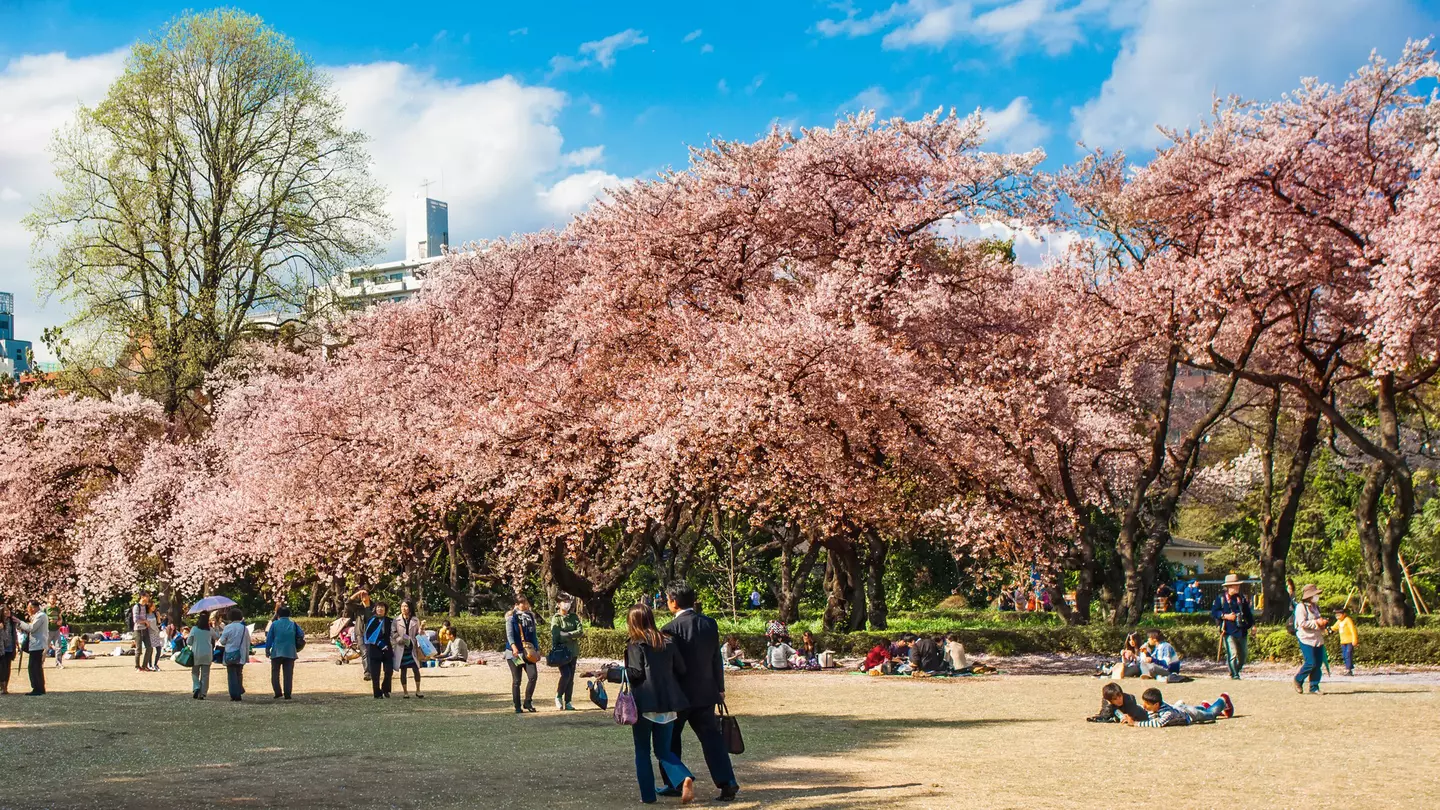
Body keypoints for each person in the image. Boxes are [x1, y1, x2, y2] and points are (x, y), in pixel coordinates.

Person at [608, 603, 696, 804]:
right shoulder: (668, 641)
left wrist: (610, 673)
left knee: (642, 751)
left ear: (633, 621)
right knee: (664, 750)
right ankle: (684, 776)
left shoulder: (635, 643)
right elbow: (681, 669)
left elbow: (635, 673)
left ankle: (648, 796)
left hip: (645, 703)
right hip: (670, 703)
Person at [660, 582, 739, 802]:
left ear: (674, 601)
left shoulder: (669, 629)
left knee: (670, 740)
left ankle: (675, 782)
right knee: (712, 739)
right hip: (705, 692)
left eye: (668, 599)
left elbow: (668, 665)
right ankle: (728, 782)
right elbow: (716, 658)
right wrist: (720, 687)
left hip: (678, 695)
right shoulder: (709, 624)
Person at [1210, 574, 1255, 679]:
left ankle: (1235, 670)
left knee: (1243, 656)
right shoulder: (1221, 598)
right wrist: (1225, 616)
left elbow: (1248, 613)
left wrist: (1253, 625)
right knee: (1232, 654)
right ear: (1229, 586)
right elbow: (1214, 612)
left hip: (1242, 629)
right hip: (1228, 631)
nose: (1237, 587)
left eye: (1238, 585)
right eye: (1235, 585)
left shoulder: (1241, 598)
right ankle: (1235, 675)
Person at [1121, 686, 1234, 727]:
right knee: (1204, 710)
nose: (1144, 706)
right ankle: (1204, 706)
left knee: (1211, 715)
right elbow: (1141, 709)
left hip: (1190, 714)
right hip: (1181, 709)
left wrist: (1135, 724)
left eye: (1147, 704)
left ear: (1156, 705)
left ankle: (1223, 699)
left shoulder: (1167, 713)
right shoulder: (1156, 706)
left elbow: (1158, 723)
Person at [505, 595, 540, 713]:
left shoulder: (530, 616)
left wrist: (537, 649)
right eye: (522, 603)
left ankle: (528, 701)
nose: (525, 605)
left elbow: (534, 635)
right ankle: (517, 706)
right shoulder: (511, 617)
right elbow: (509, 635)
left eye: (525, 602)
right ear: (516, 605)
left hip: (528, 652)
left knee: (533, 676)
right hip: (515, 654)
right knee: (517, 680)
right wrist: (514, 648)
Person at [1293, 583, 1328, 694]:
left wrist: (1323, 624)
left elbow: (1318, 619)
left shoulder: (1315, 607)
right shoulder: (1301, 607)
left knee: (1318, 663)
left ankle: (1314, 687)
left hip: (1317, 638)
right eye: (1315, 594)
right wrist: (1316, 622)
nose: (1316, 596)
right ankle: (1298, 679)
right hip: (1306, 638)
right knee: (1310, 662)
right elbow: (1301, 623)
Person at [551, 595, 584, 711]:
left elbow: (580, 631)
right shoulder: (556, 618)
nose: (567, 604)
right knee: (566, 675)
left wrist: (568, 634)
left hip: (573, 651)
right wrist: (569, 635)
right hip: (562, 652)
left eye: (568, 601)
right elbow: (557, 634)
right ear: (558, 604)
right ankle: (559, 696)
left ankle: (568, 701)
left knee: (571, 678)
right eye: (564, 602)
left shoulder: (574, 617)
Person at [266, 606, 303, 700]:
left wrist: (267, 650)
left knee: (275, 673)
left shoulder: (274, 624)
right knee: (288, 674)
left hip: (276, 652)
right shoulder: (293, 624)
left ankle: (277, 692)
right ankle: (287, 694)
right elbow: (301, 634)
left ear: (278, 614)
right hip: (290, 652)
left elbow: (269, 638)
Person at [363, 601, 396, 698]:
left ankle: (386, 689)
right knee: (375, 673)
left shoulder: (390, 620)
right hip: (374, 648)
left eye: (382, 607)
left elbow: (393, 633)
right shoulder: (372, 620)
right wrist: (380, 644)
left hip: (387, 648)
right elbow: (368, 635)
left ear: (385, 610)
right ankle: (377, 693)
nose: (380, 609)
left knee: (389, 671)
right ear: (375, 609)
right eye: (378, 607)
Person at [218, 607, 250, 701]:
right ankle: (239, 690)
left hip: (230, 653)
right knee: (239, 673)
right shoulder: (244, 628)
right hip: (241, 654)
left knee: (231, 674)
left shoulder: (228, 627)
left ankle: (234, 694)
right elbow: (247, 642)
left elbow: (222, 641)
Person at [394, 601, 423, 699]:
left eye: (406, 606)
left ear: (410, 607)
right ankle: (405, 692)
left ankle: (418, 690)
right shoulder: (396, 620)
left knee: (416, 669)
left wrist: (422, 629)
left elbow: (419, 634)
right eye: (402, 606)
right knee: (403, 670)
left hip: (412, 647)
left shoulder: (415, 620)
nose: (404, 608)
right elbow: (393, 633)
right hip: (402, 648)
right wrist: (399, 639)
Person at [18, 600, 48, 695]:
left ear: (34, 607)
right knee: (36, 667)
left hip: (37, 645)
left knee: (33, 667)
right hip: (37, 644)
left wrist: (20, 622)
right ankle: (39, 688)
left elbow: (31, 628)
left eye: (30, 608)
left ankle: (37, 688)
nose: (29, 610)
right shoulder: (39, 616)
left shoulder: (41, 616)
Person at [347, 589, 376, 682]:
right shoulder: (358, 608)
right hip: (361, 633)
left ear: (369, 596)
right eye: (362, 595)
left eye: (365, 594)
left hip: (372, 633)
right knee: (365, 652)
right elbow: (347, 603)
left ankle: (373, 671)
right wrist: (357, 594)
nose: (363, 596)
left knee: (372, 653)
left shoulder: (375, 607)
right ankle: (367, 673)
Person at [189, 612, 214, 699]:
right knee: (205, 674)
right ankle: (203, 693)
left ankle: (196, 686)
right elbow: (217, 636)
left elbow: (189, 641)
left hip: (196, 653)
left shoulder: (194, 629)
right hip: (207, 654)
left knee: (195, 672)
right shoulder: (209, 629)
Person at [132, 594, 157, 672]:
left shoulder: (145, 606)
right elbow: (135, 620)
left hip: (145, 629)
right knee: (138, 649)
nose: (148, 598)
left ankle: (144, 666)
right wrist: (145, 621)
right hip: (138, 630)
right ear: (142, 597)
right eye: (147, 597)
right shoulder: (136, 607)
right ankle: (137, 666)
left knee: (149, 648)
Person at [1, 604, 19, 695]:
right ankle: (2, 687)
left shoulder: (12, 621)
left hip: (9, 647)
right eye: (5, 610)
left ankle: (5, 687)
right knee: (2, 668)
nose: (7, 612)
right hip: (1, 647)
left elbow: (14, 633)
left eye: (8, 610)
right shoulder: (1, 622)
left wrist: (16, 643)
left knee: (7, 668)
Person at [1334, 606, 1358, 676]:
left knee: (1348, 654)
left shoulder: (1348, 620)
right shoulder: (1339, 621)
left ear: (1343, 614)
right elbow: (1334, 627)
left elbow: (1352, 630)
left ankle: (1349, 669)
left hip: (1349, 641)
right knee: (1344, 655)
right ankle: (1347, 667)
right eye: (1336, 615)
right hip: (1343, 641)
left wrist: (1354, 639)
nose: (1338, 616)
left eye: (1339, 614)